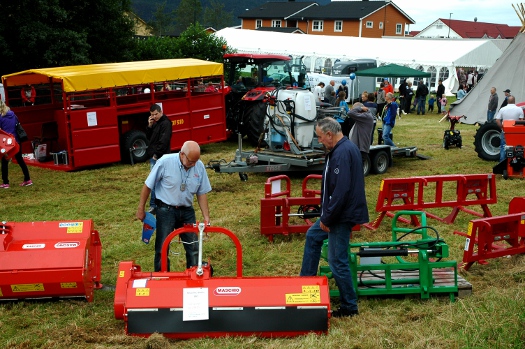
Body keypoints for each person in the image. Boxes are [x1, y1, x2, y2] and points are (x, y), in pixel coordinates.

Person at [300, 117, 369, 318]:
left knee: (337, 261)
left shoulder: (342, 153)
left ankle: (349, 306)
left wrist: (327, 218)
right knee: (313, 237)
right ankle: (305, 282)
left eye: (320, 137)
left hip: (340, 215)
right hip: (336, 212)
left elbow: (341, 191)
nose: (320, 141)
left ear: (330, 134)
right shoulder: (342, 150)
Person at [136, 140, 211, 272]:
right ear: (182, 154)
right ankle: (162, 277)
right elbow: (148, 185)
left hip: (187, 211)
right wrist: (140, 209)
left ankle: (194, 275)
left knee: (193, 246)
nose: (193, 164)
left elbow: (201, 192)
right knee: (162, 247)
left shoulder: (199, 166)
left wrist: (206, 217)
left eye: (195, 161)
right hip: (166, 210)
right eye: (190, 161)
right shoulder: (165, 162)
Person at [145, 104, 172, 214]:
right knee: (155, 182)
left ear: (161, 112)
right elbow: (149, 137)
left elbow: (164, 141)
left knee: (156, 182)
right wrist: (150, 126)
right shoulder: (156, 124)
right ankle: (156, 205)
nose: (154, 116)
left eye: (156, 114)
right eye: (152, 115)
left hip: (160, 157)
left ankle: (155, 205)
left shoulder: (166, 123)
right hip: (154, 156)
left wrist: (156, 155)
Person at [0, 100, 32, 188]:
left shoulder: (0, 117)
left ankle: (5, 182)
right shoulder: (13, 115)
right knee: (20, 159)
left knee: (4, 161)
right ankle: (28, 179)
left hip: (7, 143)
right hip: (16, 141)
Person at [495, 96, 524, 162]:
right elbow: (521, 121)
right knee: (516, 146)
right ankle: (515, 161)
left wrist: (502, 127)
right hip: (515, 131)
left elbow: (497, 120)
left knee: (503, 146)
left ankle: (502, 161)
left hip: (505, 131)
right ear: (514, 101)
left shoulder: (503, 109)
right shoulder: (519, 109)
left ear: (508, 101)